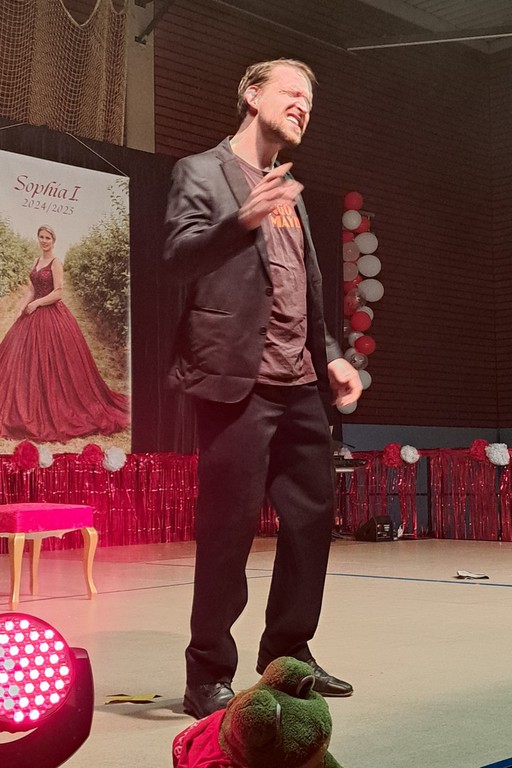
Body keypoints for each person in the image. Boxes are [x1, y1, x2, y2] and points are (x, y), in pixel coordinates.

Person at [163, 58, 362, 720]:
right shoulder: (201, 171)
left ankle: (288, 656)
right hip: (236, 380)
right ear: (252, 95)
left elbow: (304, 287)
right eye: (292, 92)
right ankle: (206, 674)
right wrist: (239, 220)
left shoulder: (291, 191)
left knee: (311, 524)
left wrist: (331, 357)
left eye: (311, 100)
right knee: (228, 529)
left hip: (299, 383)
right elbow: (178, 260)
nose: (304, 105)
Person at [0, 224, 130, 442]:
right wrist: (22, 308)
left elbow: (58, 293)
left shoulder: (56, 263)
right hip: (32, 314)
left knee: (53, 360)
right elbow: (31, 290)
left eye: (47, 237)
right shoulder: (36, 261)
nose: (44, 241)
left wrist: (37, 304)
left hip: (50, 314)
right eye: (41, 237)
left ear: (54, 240)